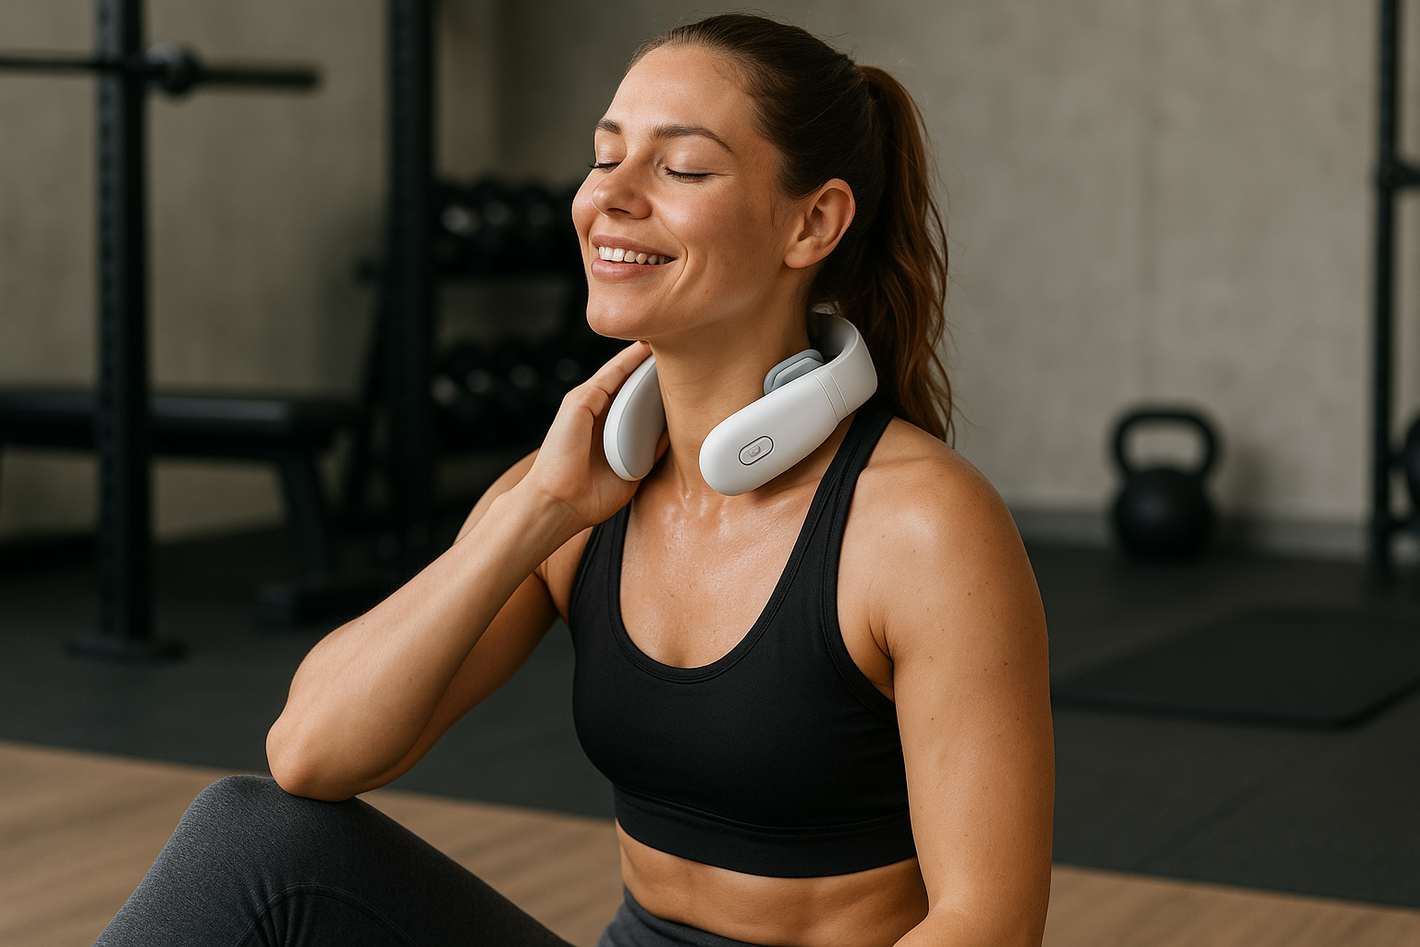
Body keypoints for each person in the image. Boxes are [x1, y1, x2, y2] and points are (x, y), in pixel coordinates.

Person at [94, 13, 1053, 947]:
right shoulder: (576, 491)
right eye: (605, 156)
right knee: (254, 838)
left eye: (679, 167)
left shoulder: (922, 525)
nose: (607, 197)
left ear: (813, 222)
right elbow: (309, 753)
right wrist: (536, 516)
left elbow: (989, 923)